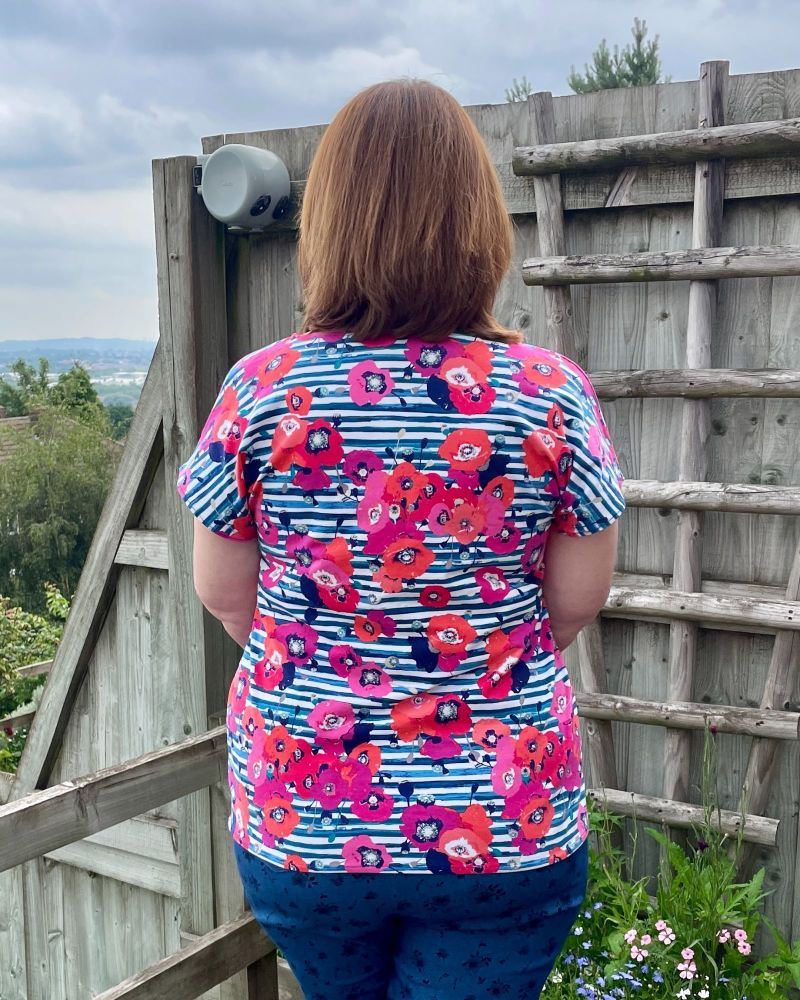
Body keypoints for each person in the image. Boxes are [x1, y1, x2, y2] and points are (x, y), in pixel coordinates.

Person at [177, 78, 625, 1000]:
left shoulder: (261, 390)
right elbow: (575, 603)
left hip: (305, 820)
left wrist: (323, 658)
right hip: (505, 822)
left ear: (329, 223)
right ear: (480, 220)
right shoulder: (551, 393)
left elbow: (225, 596)